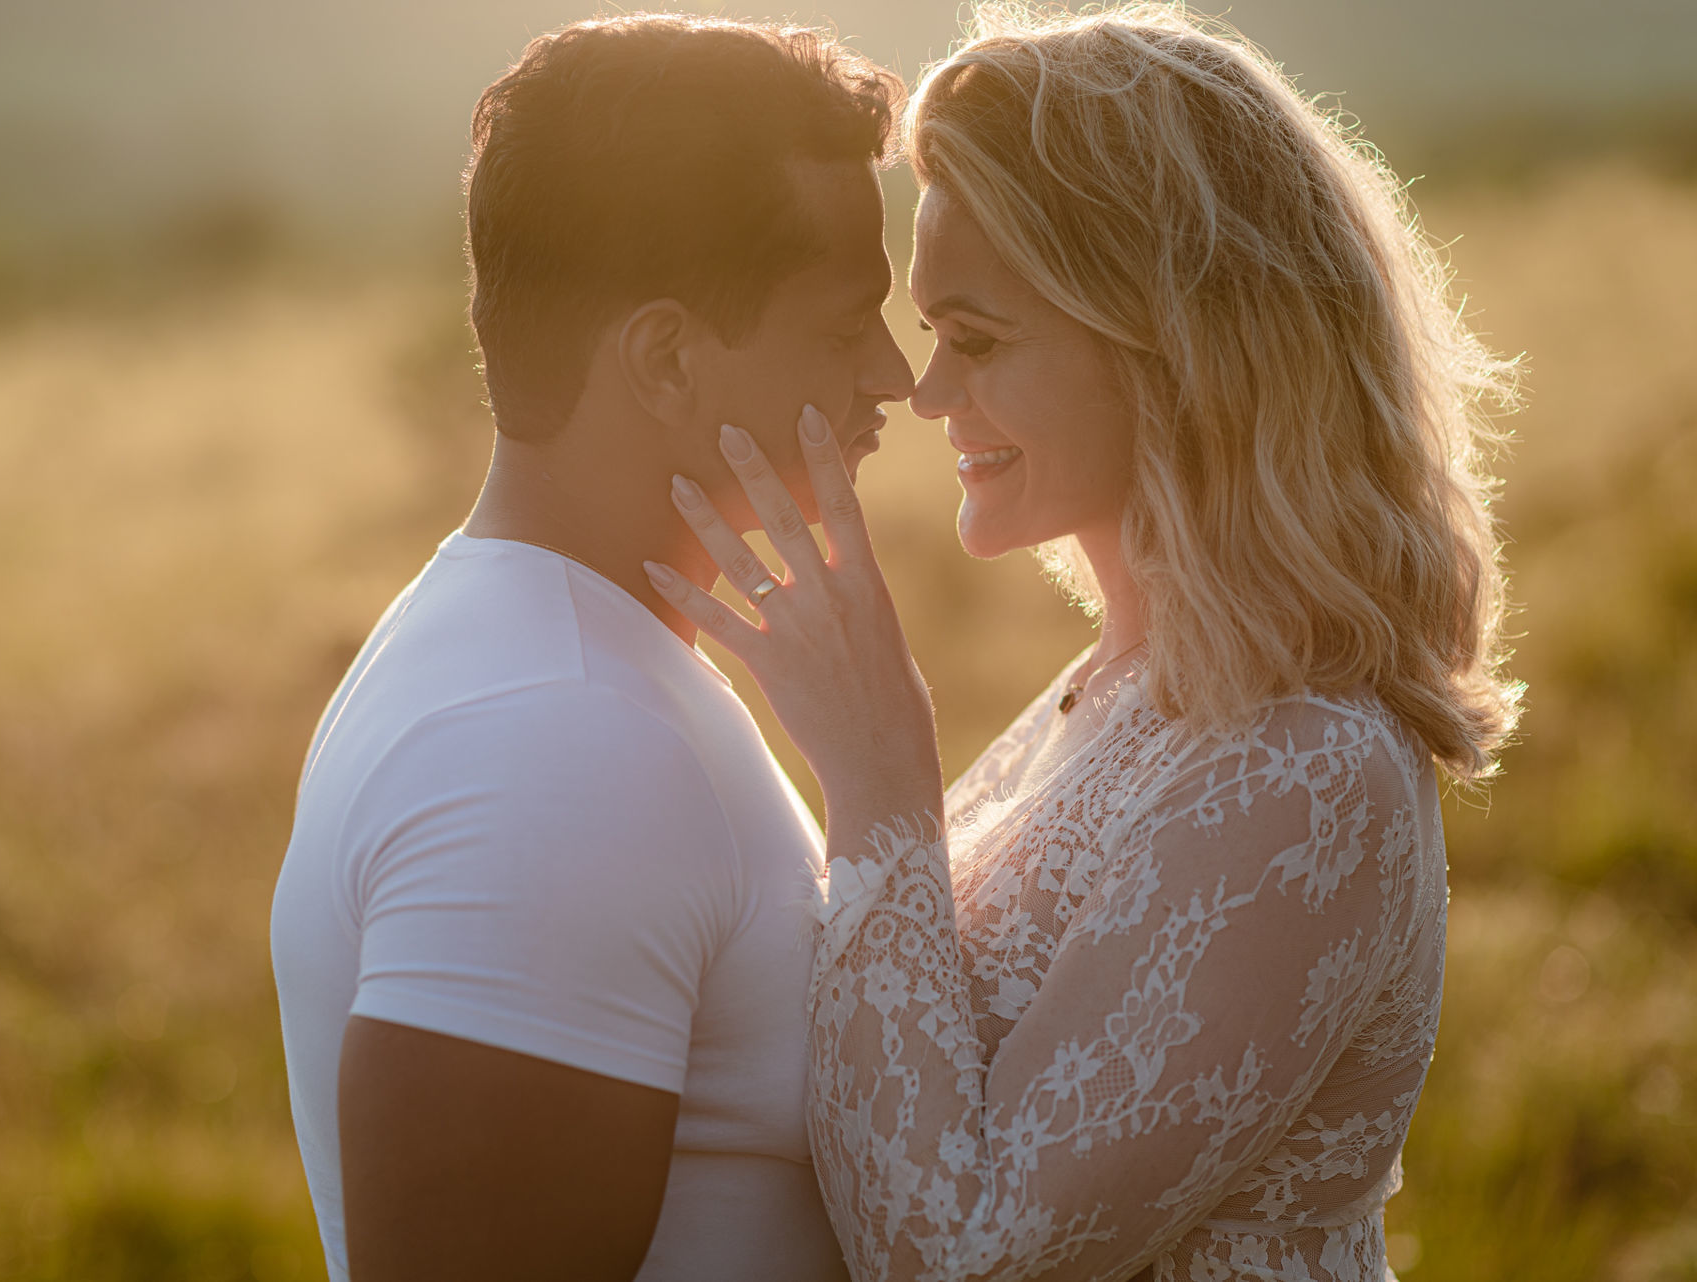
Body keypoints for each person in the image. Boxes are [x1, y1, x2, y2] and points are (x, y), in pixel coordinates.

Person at [644, 5, 1521, 1280]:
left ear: (1173, 346)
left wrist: (882, 777)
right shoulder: (1110, 690)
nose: (929, 391)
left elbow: (962, 1255)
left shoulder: (1308, 767)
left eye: (978, 338)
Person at [268, 15, 913, 1282]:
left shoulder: (570, 666)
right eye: (846, 326)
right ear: (667, 357)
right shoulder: (560, 741)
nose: (893, 375)